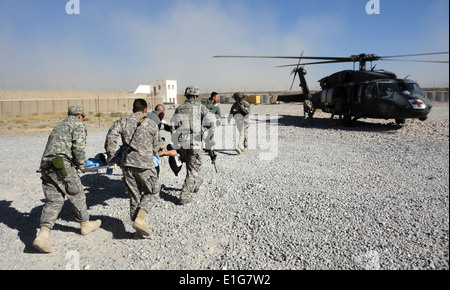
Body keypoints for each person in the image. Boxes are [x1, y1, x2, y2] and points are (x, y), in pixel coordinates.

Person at [33, 105, 101, 253]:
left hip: (46, 166)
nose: (83, 119)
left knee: (54, 200)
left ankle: (43, 235)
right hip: (61, 164)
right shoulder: (78, 124)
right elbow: (79, 148)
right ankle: (85, 224)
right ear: (79, 116)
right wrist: (80, 165)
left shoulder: (59, 125)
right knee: (77, 193)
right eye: (83, 117)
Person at [104, 99, 160, 239]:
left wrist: (111, 157)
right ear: (145, 110)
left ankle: (137, 232)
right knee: (153, 191)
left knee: (134, 196)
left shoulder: (122, 121)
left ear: (133, 109)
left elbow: (111, 136)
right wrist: (148, 154)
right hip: (145, 165)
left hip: (127, 164)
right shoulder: (151, 123)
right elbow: (156, 146)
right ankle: (140, 219)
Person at [170, 85, 211, 205]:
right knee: (193, 168)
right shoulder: (200, 107)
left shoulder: (179, 108)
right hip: (194, 141)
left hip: (182, 141)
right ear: (196, 97)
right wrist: (202, 130)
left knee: (190, 164)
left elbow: (173, 125)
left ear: (186, 96)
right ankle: (185, 194)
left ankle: (196, 183)